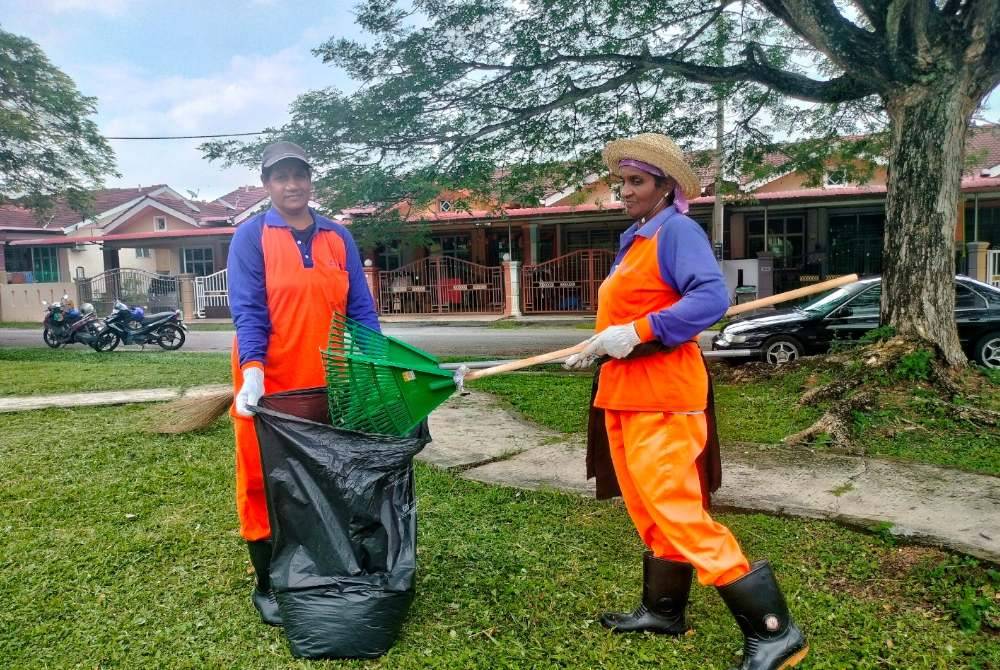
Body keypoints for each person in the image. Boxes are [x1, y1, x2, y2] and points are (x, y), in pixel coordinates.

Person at [564, 133, 807, 670]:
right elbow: (630, 316)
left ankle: (777, 630)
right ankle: (664, 610)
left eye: (636, 182)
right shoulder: (637, 239)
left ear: (665, 186)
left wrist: (640, 330)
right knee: (648, 509)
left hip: (665, 397)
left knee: (676, 509)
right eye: (621, 182)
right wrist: (598, 344)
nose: (623, 192)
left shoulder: (677, 230)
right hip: (624, 394)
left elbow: (711, 299)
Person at [227, 140, 380, 626]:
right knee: (261, 477)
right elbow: (249, 310)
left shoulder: (337, 237)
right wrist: (252, 371)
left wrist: (372, 362)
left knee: (325, 472)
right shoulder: (251, 237)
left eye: (299, 174)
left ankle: (323, 562)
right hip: (268, 381)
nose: (291, 184)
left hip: (328, 377)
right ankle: (267, 580)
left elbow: (360, 309)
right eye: (280, 176)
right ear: (266, 184)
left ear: (312, 180)